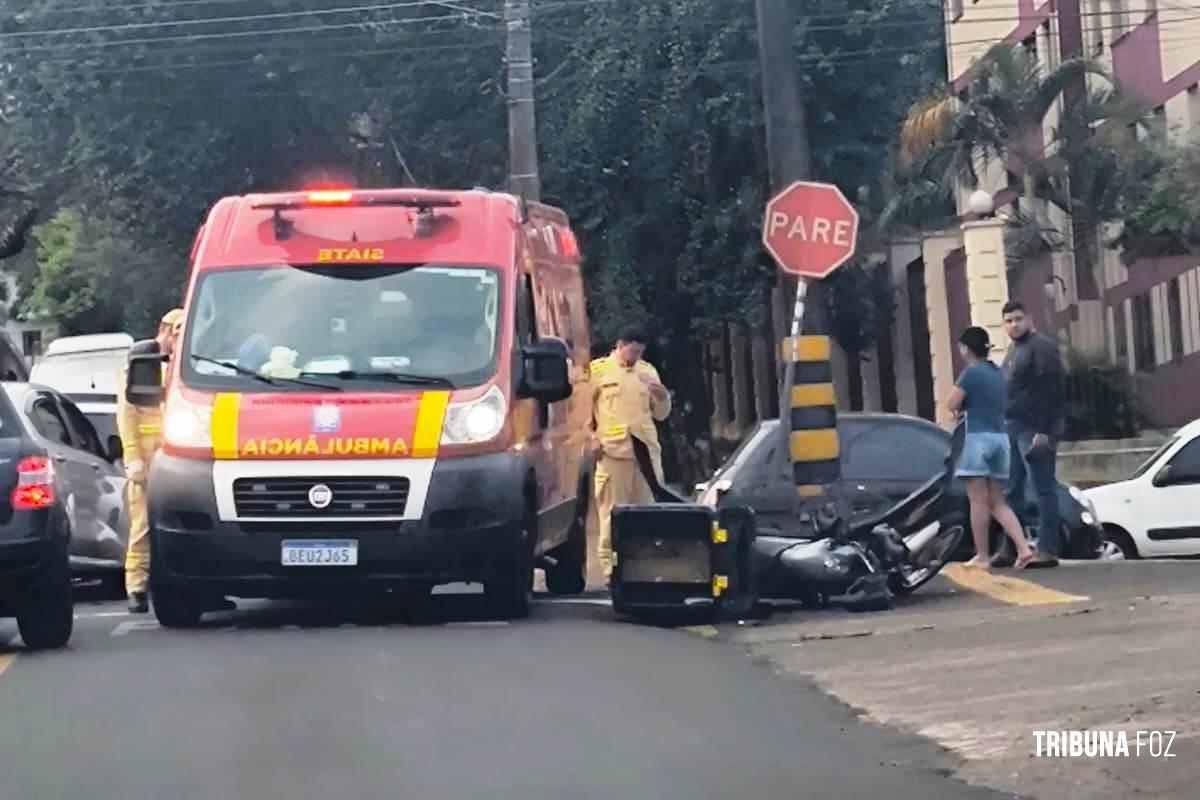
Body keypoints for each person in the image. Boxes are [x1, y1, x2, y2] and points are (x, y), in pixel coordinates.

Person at [947, 327, 1036, 570]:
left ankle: (982, 555)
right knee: (998, 501)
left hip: (977, 439)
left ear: (965, 349)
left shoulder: (970, 374)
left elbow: (951, 403)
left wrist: (962, 405)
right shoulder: (999, 373)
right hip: (1001, 439)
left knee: (977, 500)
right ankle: (1023, 547)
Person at [589, 325, 672, 583]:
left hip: (645, 452)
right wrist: (590, 437)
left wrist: (660, 394)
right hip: (613, 451)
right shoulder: (598, 370)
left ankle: (643, 568)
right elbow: (581, 410)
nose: (633, 357)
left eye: (639, 353)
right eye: (631, 351)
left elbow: (661, 413)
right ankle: (610, 571)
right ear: (620, 345)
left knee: (647, 512)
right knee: (611, 514)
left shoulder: (648, 372)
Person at [116, 309, 182, 613]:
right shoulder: (140, 364)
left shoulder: (184, 364)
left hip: (176, 455)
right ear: (165, 330)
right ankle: (136, 588)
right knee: (142, 525)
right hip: (146, 459)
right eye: (178, 332)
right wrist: (133, 458)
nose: (181, 338)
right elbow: (127, 415)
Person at [1001, 301, 1066, 568]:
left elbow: (1052, 391)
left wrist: (1044, 430)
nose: (1014, 325)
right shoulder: (1014, 349)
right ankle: (1012, 547)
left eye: (1018, 319)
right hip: (1013, 427)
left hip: (1034, 429)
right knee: (1011, 490)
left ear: (1029, 318)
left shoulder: (1042, 347)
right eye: (1008, 320)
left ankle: (1048, 548)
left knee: (1043, 489)